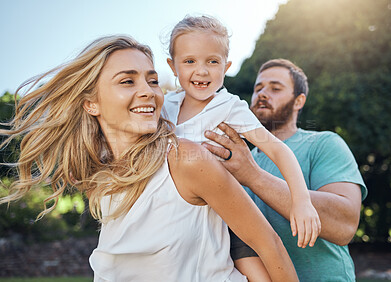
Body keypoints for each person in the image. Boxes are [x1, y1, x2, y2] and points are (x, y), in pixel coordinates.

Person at [0, 36, 298, 281]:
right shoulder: (105, 177)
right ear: (91, 103)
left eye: (153, 81)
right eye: (127, 82)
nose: (147, 92)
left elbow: (269, 245)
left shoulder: (186, 159)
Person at [163, 14, 320, 256]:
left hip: (208, 224)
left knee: (255, 266)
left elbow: (279, 149)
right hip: (164, 218)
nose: (202, 71)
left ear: (226, 67)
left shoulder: (228, 107)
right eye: (190, 61)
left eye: (212, 62)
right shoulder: (165, 105)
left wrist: (301, 202)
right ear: (173, 66)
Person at [203, 58, 368, 281]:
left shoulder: (323, 144)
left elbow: (345, 224)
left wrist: (253, 176)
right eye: (258, 88)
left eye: (275, 88)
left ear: (299, 101)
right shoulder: (239, 160)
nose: (262, 94)